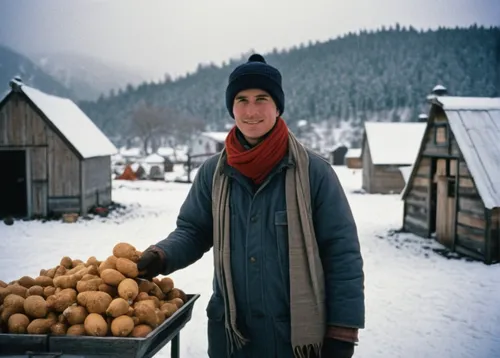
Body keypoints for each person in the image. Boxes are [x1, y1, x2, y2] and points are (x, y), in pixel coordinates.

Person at [137, 53, 365, 358]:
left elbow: (341, 252)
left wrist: (343, 330)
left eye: (262, 98)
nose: (251, 110)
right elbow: (193, 231)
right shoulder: (213, 173)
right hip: (232, 339)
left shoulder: (314, 173)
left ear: (278, 106)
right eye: (242, 99)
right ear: (232, 107)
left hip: (294, 339)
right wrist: (160, 256)